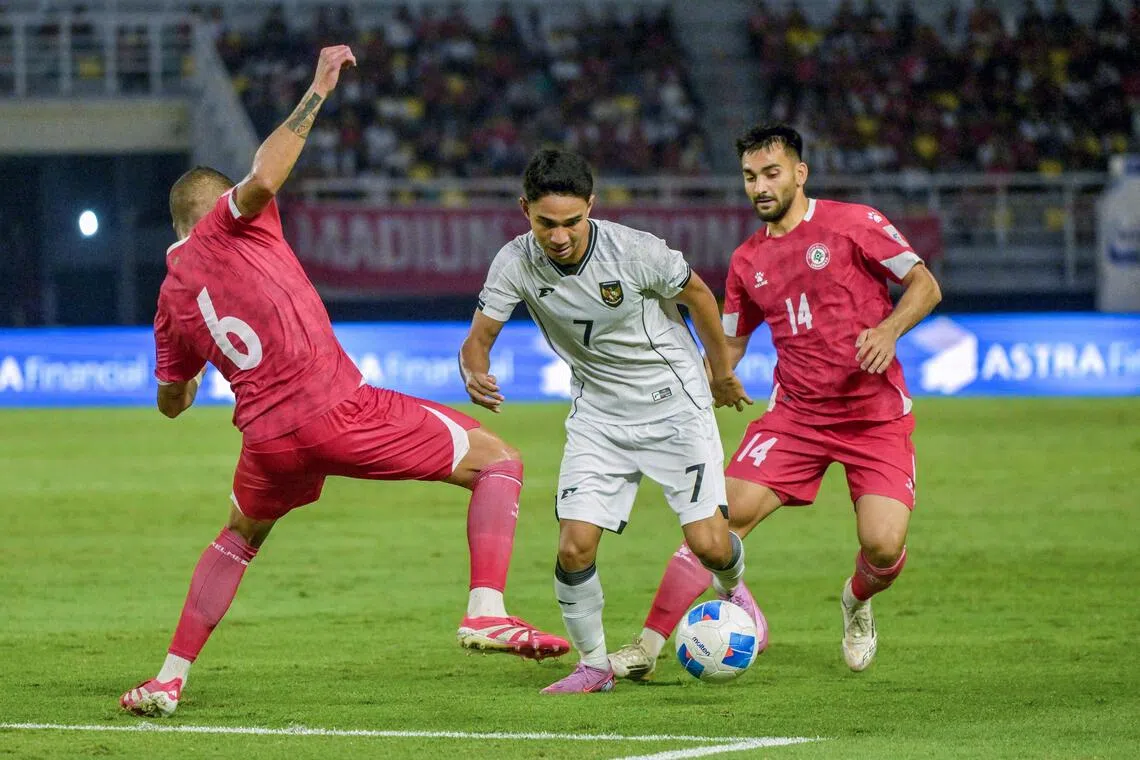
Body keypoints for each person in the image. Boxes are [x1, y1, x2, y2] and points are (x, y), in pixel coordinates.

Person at [119, 46, 568, 718]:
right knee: (499, 462)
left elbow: (173, 402)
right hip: (336, 411)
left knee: (239, 536)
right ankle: (485, 610)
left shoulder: (168, 303)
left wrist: (190, 369)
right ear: (212, 209)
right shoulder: (231, 222)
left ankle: (168, 678)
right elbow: (266, 178)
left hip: (267, 441)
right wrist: (319, 87)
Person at [608, 123, 942, 678]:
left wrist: (888, 330)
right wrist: (712, 375)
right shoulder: (746, 261)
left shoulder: (854, 223)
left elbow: (926, 285)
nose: (760, 186)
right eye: (749, 176)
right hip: (796, 420)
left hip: (874, 419)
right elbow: (732, 341)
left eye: (771, 173)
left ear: (799, 173)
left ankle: (857, 603)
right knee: (715, 524)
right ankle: (647, 646)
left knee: (882, 548)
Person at [459, 149, 762, 694]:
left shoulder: (635, 251)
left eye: (572, 222)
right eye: (546, 223)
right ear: (525, 209)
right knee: (574, 545)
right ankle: (595, 666)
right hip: (599, 415)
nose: (559, 236)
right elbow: (478, 340)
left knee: (711, 544)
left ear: (591, 208)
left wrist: (719, 372)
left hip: (674, 406)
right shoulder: (513, 262)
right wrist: (475, 371)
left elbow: (699, 296)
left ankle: (734, 587)